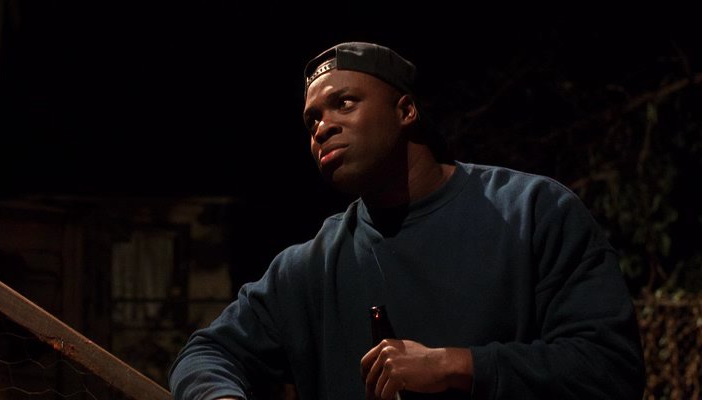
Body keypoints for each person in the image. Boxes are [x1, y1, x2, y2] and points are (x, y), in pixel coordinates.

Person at [168, 41, 646, 400]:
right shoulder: (310, 267)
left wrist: (456, 366)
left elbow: (610, 368)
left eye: (344, 103)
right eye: (312, 120)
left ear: (406, 110)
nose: (322, 127)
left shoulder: (532, 211)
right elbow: (207, 354)